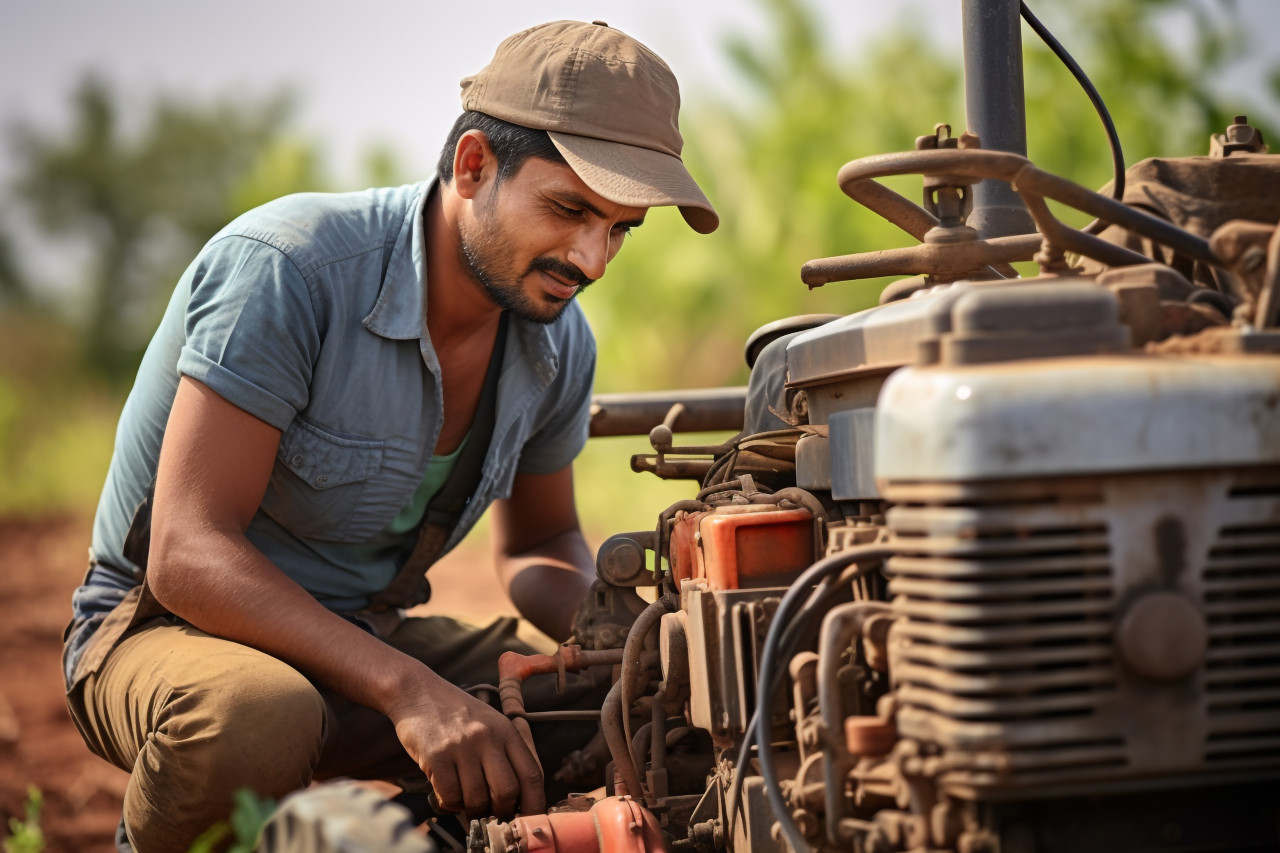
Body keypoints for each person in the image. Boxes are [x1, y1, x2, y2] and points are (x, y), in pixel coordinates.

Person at [60, 20, 717, 852]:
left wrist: (642, 643)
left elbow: (543, 541)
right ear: (473, 164)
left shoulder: (557, 341)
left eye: (623, 228)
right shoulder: (289, 269)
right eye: (570, 209)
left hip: (365, 633)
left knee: (608, 710)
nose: (591, 257)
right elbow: (187, 553)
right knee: (258, 715)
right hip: (167, 629)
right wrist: (410, 689)